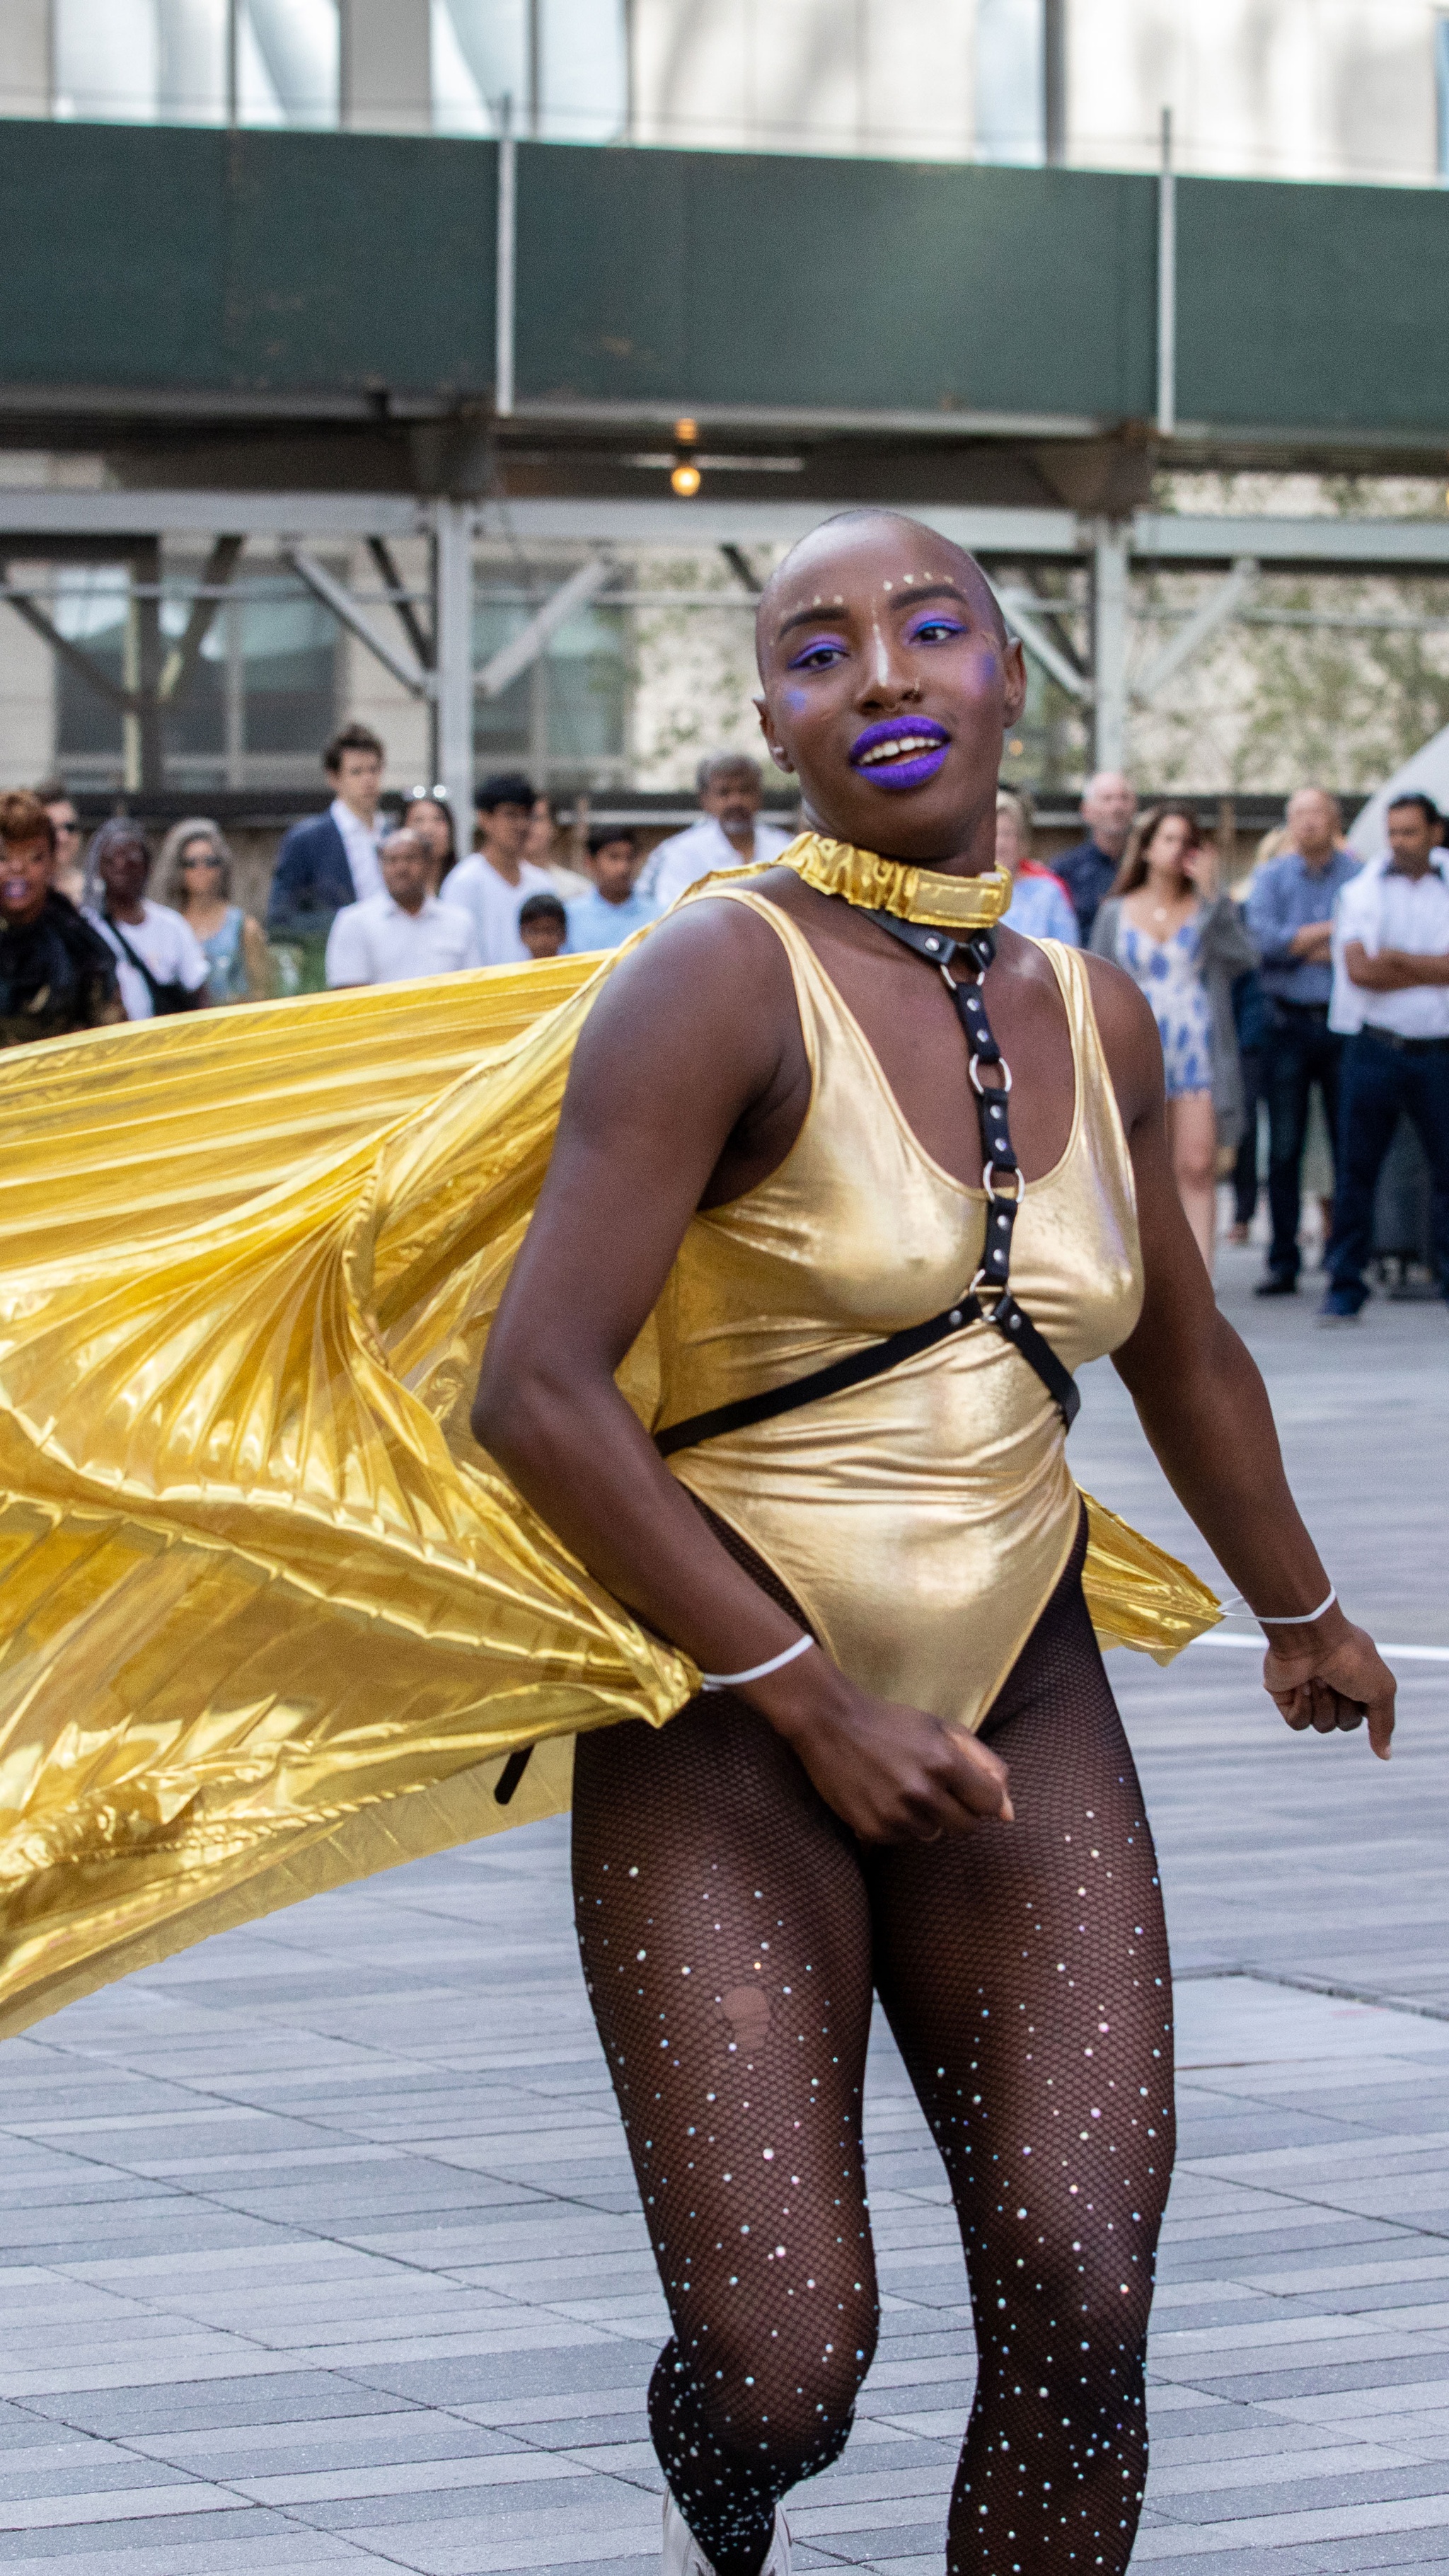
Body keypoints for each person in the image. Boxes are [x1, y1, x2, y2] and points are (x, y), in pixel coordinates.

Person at [473, 508, 1392, 2576]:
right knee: (788, 2359)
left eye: (927, 628)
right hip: (721, 1721)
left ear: (1007, 675)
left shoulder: (1095, 1001)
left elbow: (1175, 1339)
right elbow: (534, 1387)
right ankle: (722, 2463)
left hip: (1016, 1704)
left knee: (1079, 2313)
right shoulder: (711, 973)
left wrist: (1302, 1611)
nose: (880, 674)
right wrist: (796, 1696)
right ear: (770, 721)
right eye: (819, 649)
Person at [1090, 803, 1257, 1270]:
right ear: (1145, 849)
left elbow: (1243, 957)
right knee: (1144, 1167)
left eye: (1187, 841)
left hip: (1198, 1045)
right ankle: (1151, 1275)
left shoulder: (1210, 907)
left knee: (1198, 1164)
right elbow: (1097, 982)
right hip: (1138, 1045)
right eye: (1168, 839)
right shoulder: (1115, 912)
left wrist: (1212, 901)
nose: (1178, 849)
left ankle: (1202, 1279)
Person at [1321, 790, 1449, 1319]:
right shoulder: (1362, 891)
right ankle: (1345, 1286)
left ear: (1435, 832)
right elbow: (1361, 971)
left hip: (1439, 1050)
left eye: (1410, 832)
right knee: (1356, 1171)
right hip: (1375, 1047)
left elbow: (1384, 966)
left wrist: (1396, 959)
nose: (1399, 842)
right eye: (1393, 832)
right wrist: (1432, 968)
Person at [1244, 788, 1361, 1296]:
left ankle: (1346, 1259)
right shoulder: (1270, 878)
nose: (1308, 823)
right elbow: (1265, 946)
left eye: (1318, 814)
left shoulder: (1359, 878)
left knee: (1348, 1144)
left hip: (1342, 1023)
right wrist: (1332, 934)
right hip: (1286, 1024)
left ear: (1335, 821)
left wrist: (1299, 945)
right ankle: (1283, 1259)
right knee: (1285, 1147)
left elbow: (1366, 947)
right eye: (1299, 816)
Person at [0, 788, 122, 1047]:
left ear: (52, 863)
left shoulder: (82, 948)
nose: (17, 869)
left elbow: (113, 1046)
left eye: (34, 857)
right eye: (3, 857)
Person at [265, 723, 388, 962]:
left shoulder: (393, 835)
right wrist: (348, 924)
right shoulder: (307, 840)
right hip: (333, 965)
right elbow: (280, 919)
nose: (368, 780)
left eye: (374, 770)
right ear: (334, 779)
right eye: (357, 772)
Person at [83, 817, 210, 1020]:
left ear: (147, 866)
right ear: (99, 868)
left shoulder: (172, 926)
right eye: (112, 858)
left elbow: (199, 996)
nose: (121, 864)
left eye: (130, 858)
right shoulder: (87, 929)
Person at [325, 826, 480, 988]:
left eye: (410, 858)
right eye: (392, 860)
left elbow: (473, 987)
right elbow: (348, 996)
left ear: (429, 864)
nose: (401, 868)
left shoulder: (459, 922)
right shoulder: (354, 922)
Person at [640, 754, 794, 911]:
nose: (736, 801)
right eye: (724, 793)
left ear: (759, 794)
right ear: (704, 800)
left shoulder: (787, 848)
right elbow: (675, 916)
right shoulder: (681, 852)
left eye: (745, 791)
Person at [442, 771, 558, 965]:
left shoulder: (542, 883)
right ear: (484, 818)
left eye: (526, 815)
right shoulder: (464, 881)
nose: (521, 825)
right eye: (511, 815)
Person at [159, 818, 271, 1005]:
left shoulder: (244, 927)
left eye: (210, 861)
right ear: (178, 869)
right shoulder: (170, 928)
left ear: (222, 866)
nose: (201, 869)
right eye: (191, 863)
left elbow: (263, 994)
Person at [1055, 769, 1137, 943]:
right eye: (1107, 799)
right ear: (1086, 811)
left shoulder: (1148, 867)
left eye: (1124, 798)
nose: (1117, 807)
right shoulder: (1064, 871)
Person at [995, 787, 1079, 943]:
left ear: (1022, 840)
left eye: (1008, 834)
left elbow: (1069, 954)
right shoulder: (968, 891)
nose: (1000, 843)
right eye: (994, 833)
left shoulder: (1049, 893)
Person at [566, 827, 662, 953]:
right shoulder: (569, 916)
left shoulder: (660, 917)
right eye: (614, 857)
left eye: (629, 857)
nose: (624, 867)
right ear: (590, 862)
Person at [35, 776, 86, 905]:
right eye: (52, 830)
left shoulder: (97, 892)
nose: (63, 837)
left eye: (70, 827)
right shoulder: (22, 893)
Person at [403, 787, 457, 892]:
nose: (428, 830)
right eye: (419, 820)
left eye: (438, 819)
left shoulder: (463, 882)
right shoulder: (390, 891)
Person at [516, 890, 568, 960]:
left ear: (563, 935)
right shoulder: (515, 970)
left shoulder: (575, 970)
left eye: (549, 931)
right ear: (522, 934)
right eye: (534, 932)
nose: (542, 940)